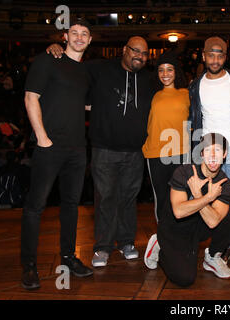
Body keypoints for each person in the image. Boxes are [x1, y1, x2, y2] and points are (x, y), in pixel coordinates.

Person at [46, 36, 154, 268]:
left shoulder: (149, 78)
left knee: (128, 198)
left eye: (144, 54)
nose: (140, 56)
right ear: (124, 50)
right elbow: (72, 68)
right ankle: (103, 247)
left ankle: (126, 242)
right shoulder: (100, 68)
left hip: (135, 151)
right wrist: (57, 51)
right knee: (105, 198)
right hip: (104, 149)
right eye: (135, 51)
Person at [21, 19, 93, 290]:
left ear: (90, 40)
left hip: (77, 149)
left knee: (71, 207)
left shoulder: (85, 72)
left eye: (84, 34)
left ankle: (68, 257)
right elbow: (31, 98)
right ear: (65, 36)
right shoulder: (48, 60)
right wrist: (42, 138)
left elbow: (85, 105)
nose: (78, 37)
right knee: (35, 207)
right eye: (74, 32)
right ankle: (29, 266)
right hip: (48, 146)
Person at [144, 133, 230, 287]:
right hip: (174, 230)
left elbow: (213, 222)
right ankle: (160, 245)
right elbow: (179, 212)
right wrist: (207, 198)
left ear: (225, 154)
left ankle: (213, 258)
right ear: (201, 153)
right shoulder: (184, 172)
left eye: (218, 150)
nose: (213, 156)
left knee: (228, 217)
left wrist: (199, 195)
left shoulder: (225, 184)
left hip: (197, 229)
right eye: (208, 150)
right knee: (184, 278)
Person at [188, 36, 230, 227]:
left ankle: (219, 240)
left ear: (226, 57)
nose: (215, 60)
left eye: (220, 56)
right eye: (211, 55)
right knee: (197, 197)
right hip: (207, 149)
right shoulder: (195, 85)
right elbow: (194, 119)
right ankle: (207, 240)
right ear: (203, 56)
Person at [142, 52, 190, 222]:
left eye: (169, 70)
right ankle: (164, 241)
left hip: (182, 152)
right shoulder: (152, 94)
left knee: (183, 198)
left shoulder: (187, 93)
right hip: (156, 153)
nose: (165, 74)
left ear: (176, 72)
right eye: (161, 70)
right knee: (162, 198)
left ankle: (182, 240)